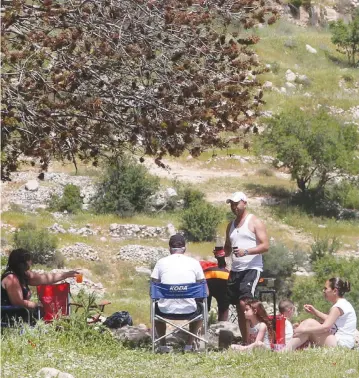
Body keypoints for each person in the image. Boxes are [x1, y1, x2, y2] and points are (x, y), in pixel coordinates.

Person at [224, 191, 269, 344]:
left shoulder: (254, 221)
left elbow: (265, 246)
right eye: (232, 204)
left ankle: (259, 338)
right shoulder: (230, 225)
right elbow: (228, 247)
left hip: (252, 268)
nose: (234, 207)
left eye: (236, 203)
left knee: (246, 303)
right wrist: (222, 253)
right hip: (236, 269)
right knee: (238, 305)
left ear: (245, 203)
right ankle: (246, 341)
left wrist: (247, 251)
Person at [151, 234, 206, 352]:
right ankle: (189, 345)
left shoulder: (161, 262)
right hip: (189, 311)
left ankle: (162, 345)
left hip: (164, 311)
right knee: (201, 307)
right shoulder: (194, 263)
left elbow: (152, 289)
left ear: (169, 248)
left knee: (155, 305)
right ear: (184, 248)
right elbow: (205, 290)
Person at [1, 248, 79, 325]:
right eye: (29, 260)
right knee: (46, 319)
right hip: (8, 315)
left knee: (52, 318)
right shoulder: (11, 278)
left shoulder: (24, 275)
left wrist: (67, 274)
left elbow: (45, 278)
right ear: (23, 262)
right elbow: (17, 302)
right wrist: (36, 304)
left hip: (20, 313)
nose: (31, 262)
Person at [285, 278, 357, 350]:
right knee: (309, 324)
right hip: (345, 344)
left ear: (335, 291)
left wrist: (303, 329)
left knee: (309, 323)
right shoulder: (343, 304)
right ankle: (287, 349)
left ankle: (285, 350)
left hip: (341, 344)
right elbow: (330, 319)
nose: (323, 291)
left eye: (325, 289)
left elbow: (325, 327)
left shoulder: (338, 307)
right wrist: (314, 312)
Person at [200, 251, 229, 322]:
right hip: (224, 276)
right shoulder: (223, 264)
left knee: (204, 305)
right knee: (223, 306)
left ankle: (202, 325)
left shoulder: (202, 262)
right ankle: (222, 325)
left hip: (207, 277)